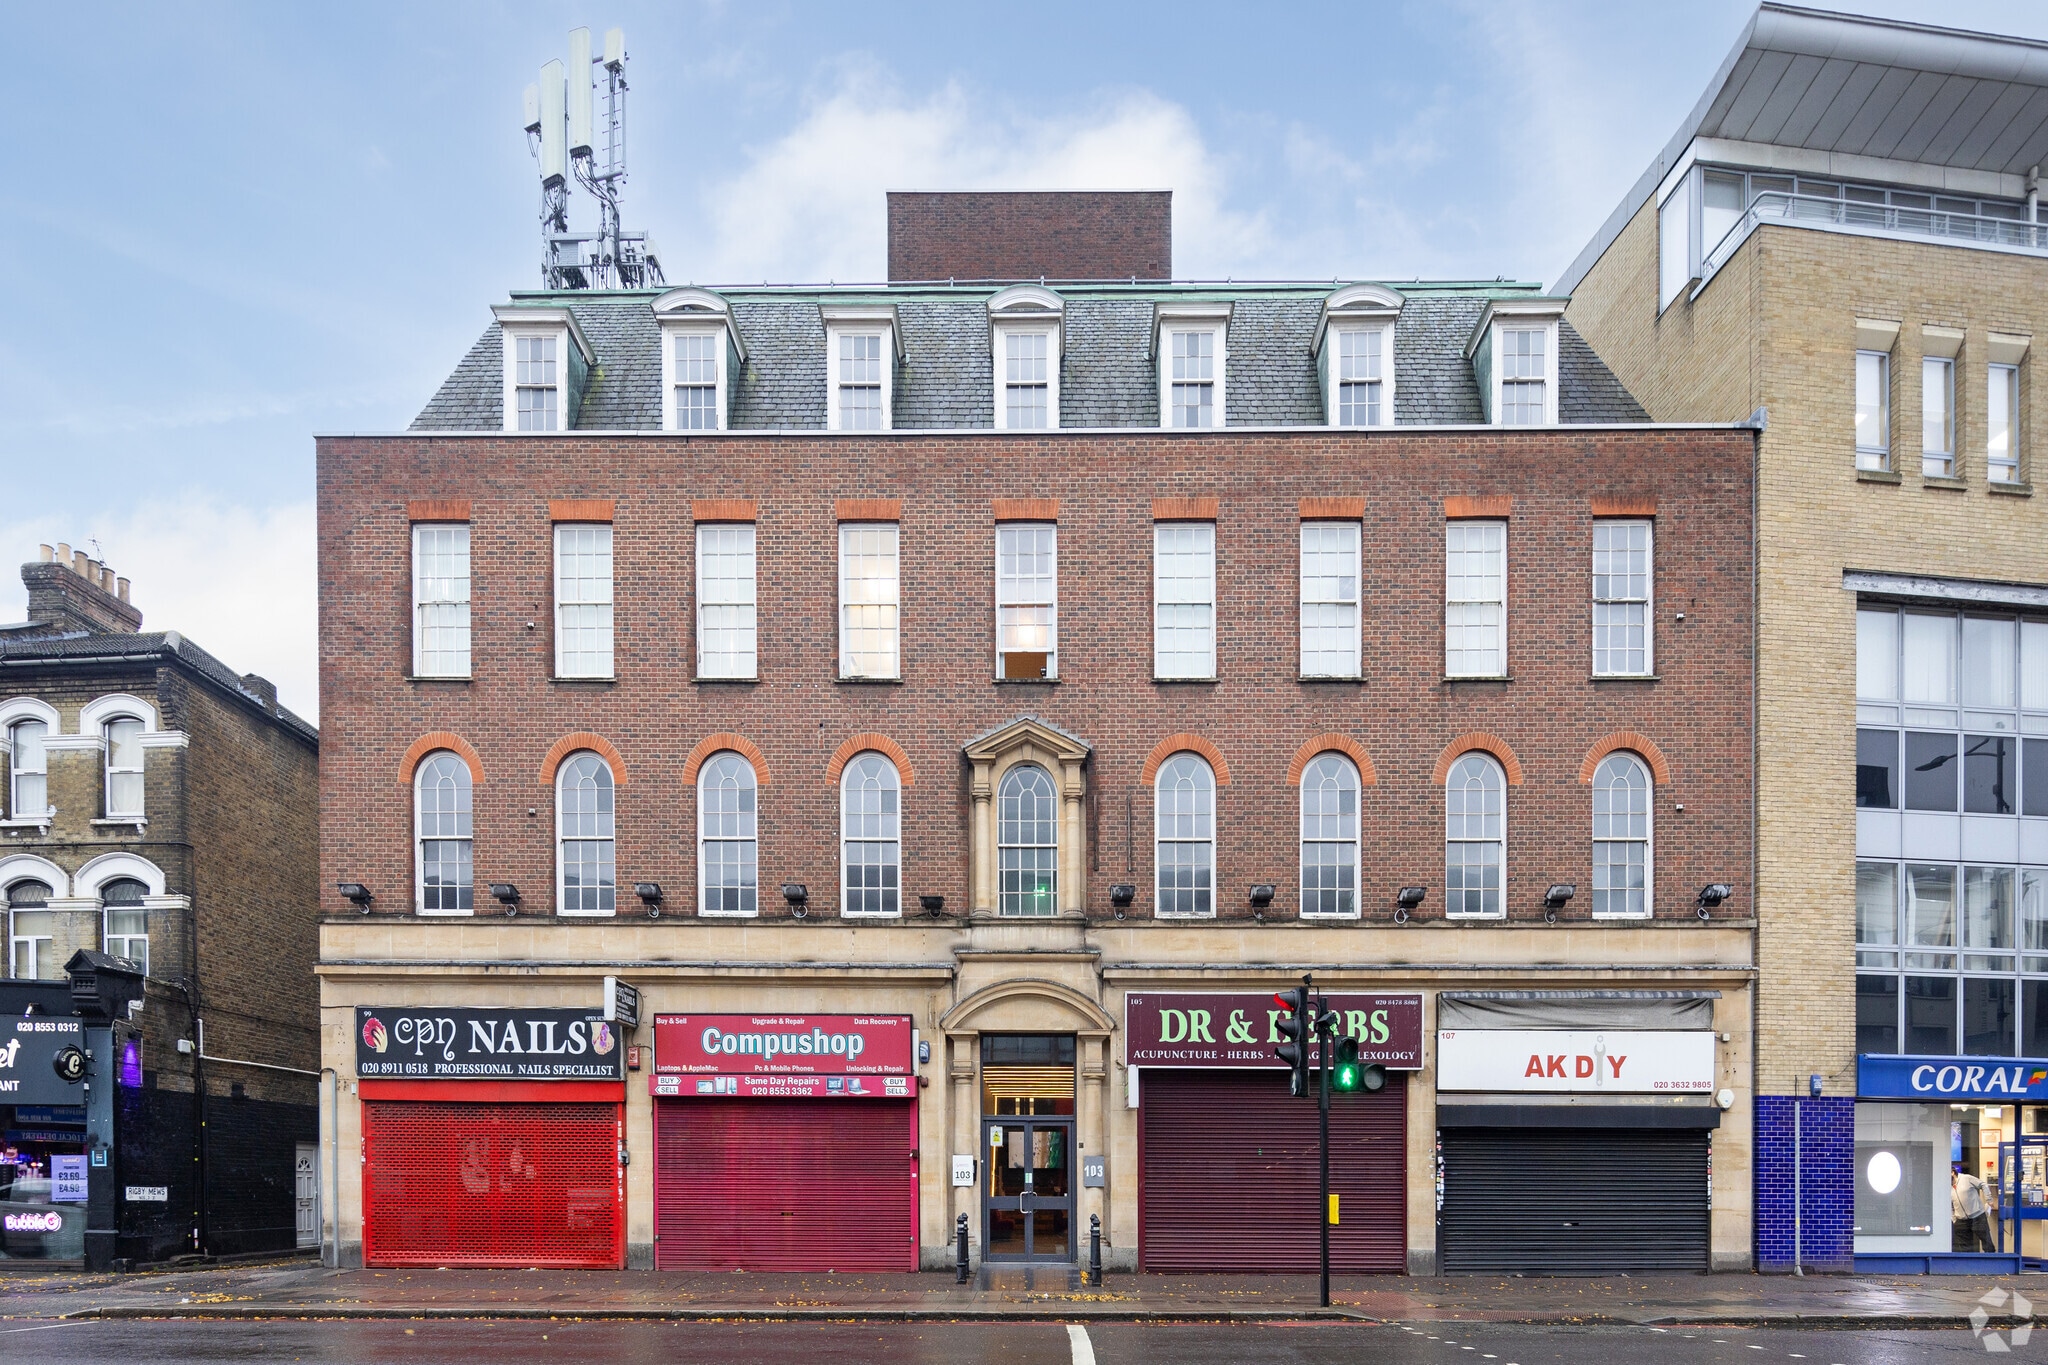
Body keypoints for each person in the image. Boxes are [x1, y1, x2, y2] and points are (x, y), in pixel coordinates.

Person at [1953, 1164, 1996, 1252]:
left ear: (1952, 1173)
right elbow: (1948, 1204)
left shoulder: (1966, 1178)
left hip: (1977, 1216)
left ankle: (1991, 1262)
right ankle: (1967, 1264)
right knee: (1964, 1248)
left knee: (1987, 1243)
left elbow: (1983, 1184)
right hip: (1961, 1220)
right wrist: (1953, 1218)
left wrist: (1989, 1199)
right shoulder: (1947, 1187)